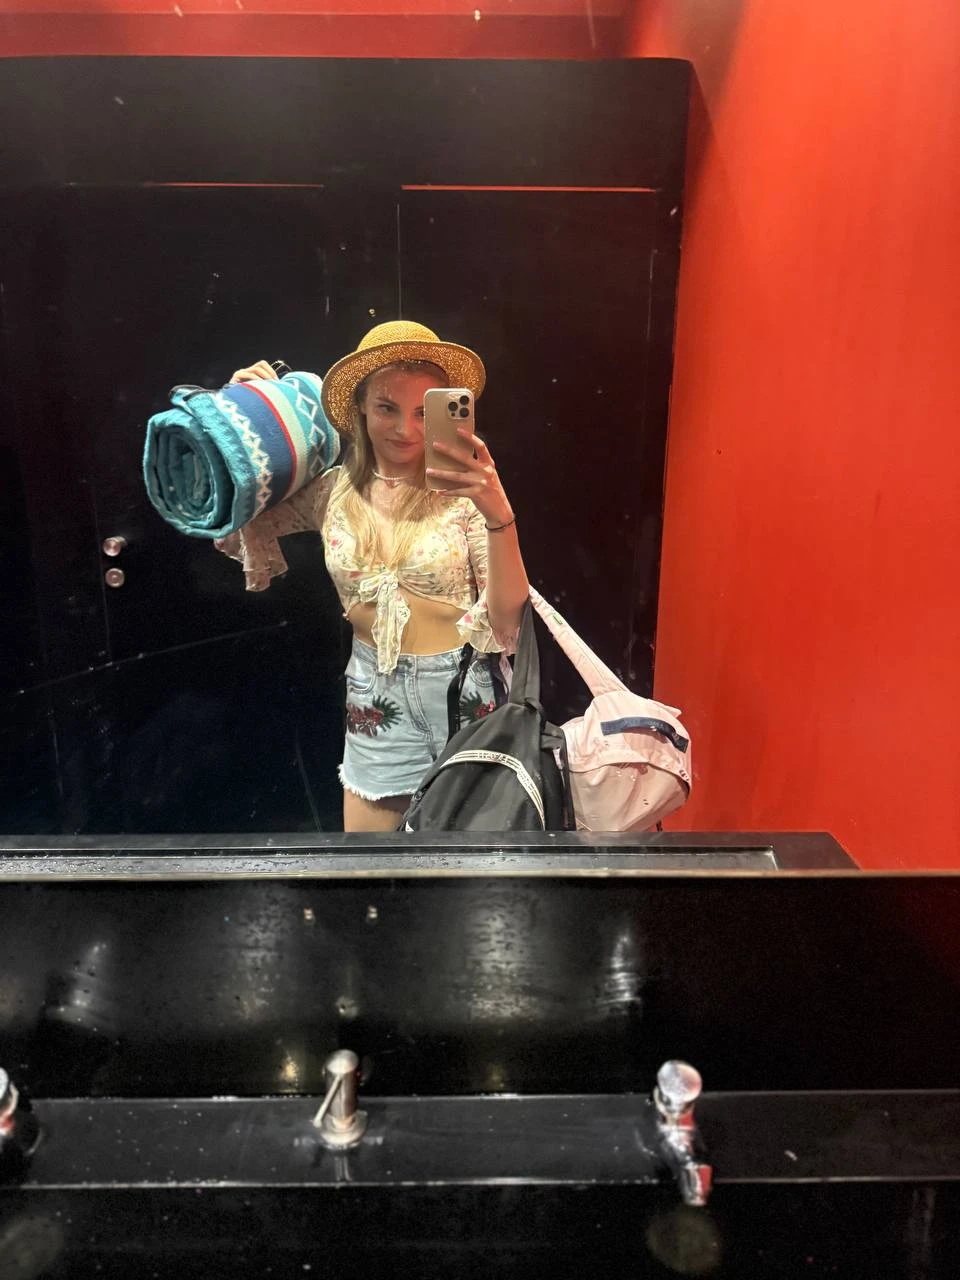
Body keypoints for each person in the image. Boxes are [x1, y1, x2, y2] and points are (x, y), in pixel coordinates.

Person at [216, 320, 529, 832]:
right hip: (376, 700)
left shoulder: (466, 496)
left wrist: (498, 513)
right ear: (360, 406)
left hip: (466, 695)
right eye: (387, 407)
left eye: (422, 411)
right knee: (373, 871)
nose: (405, 429)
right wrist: (238, 415)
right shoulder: (330, 492)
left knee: (474, 872)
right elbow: (233, 523)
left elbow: (509, 624)